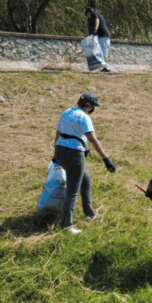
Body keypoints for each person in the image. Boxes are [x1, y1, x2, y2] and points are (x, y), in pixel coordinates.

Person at [54, 92, 116, 234]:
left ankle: (89, 214)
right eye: (93, 106)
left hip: (61, 150)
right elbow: (93, 140)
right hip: (74, 154)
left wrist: (55, 154)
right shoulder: (84, 117)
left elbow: (57, 134)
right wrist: (106, 159)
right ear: (87, 105)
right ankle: (66, 226)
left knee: (85, 181)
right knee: (72, 191)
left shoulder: (66, 112)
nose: (93, 108)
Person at [85, 7, 112, 73]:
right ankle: (105, 68)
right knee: (100, 52)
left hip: (103, 36)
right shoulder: (96, 14)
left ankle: (106, 68)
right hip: (101, 36)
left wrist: (95, 30)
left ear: (88, 12)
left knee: (103, 52)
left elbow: (97, 20)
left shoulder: (94, 13)